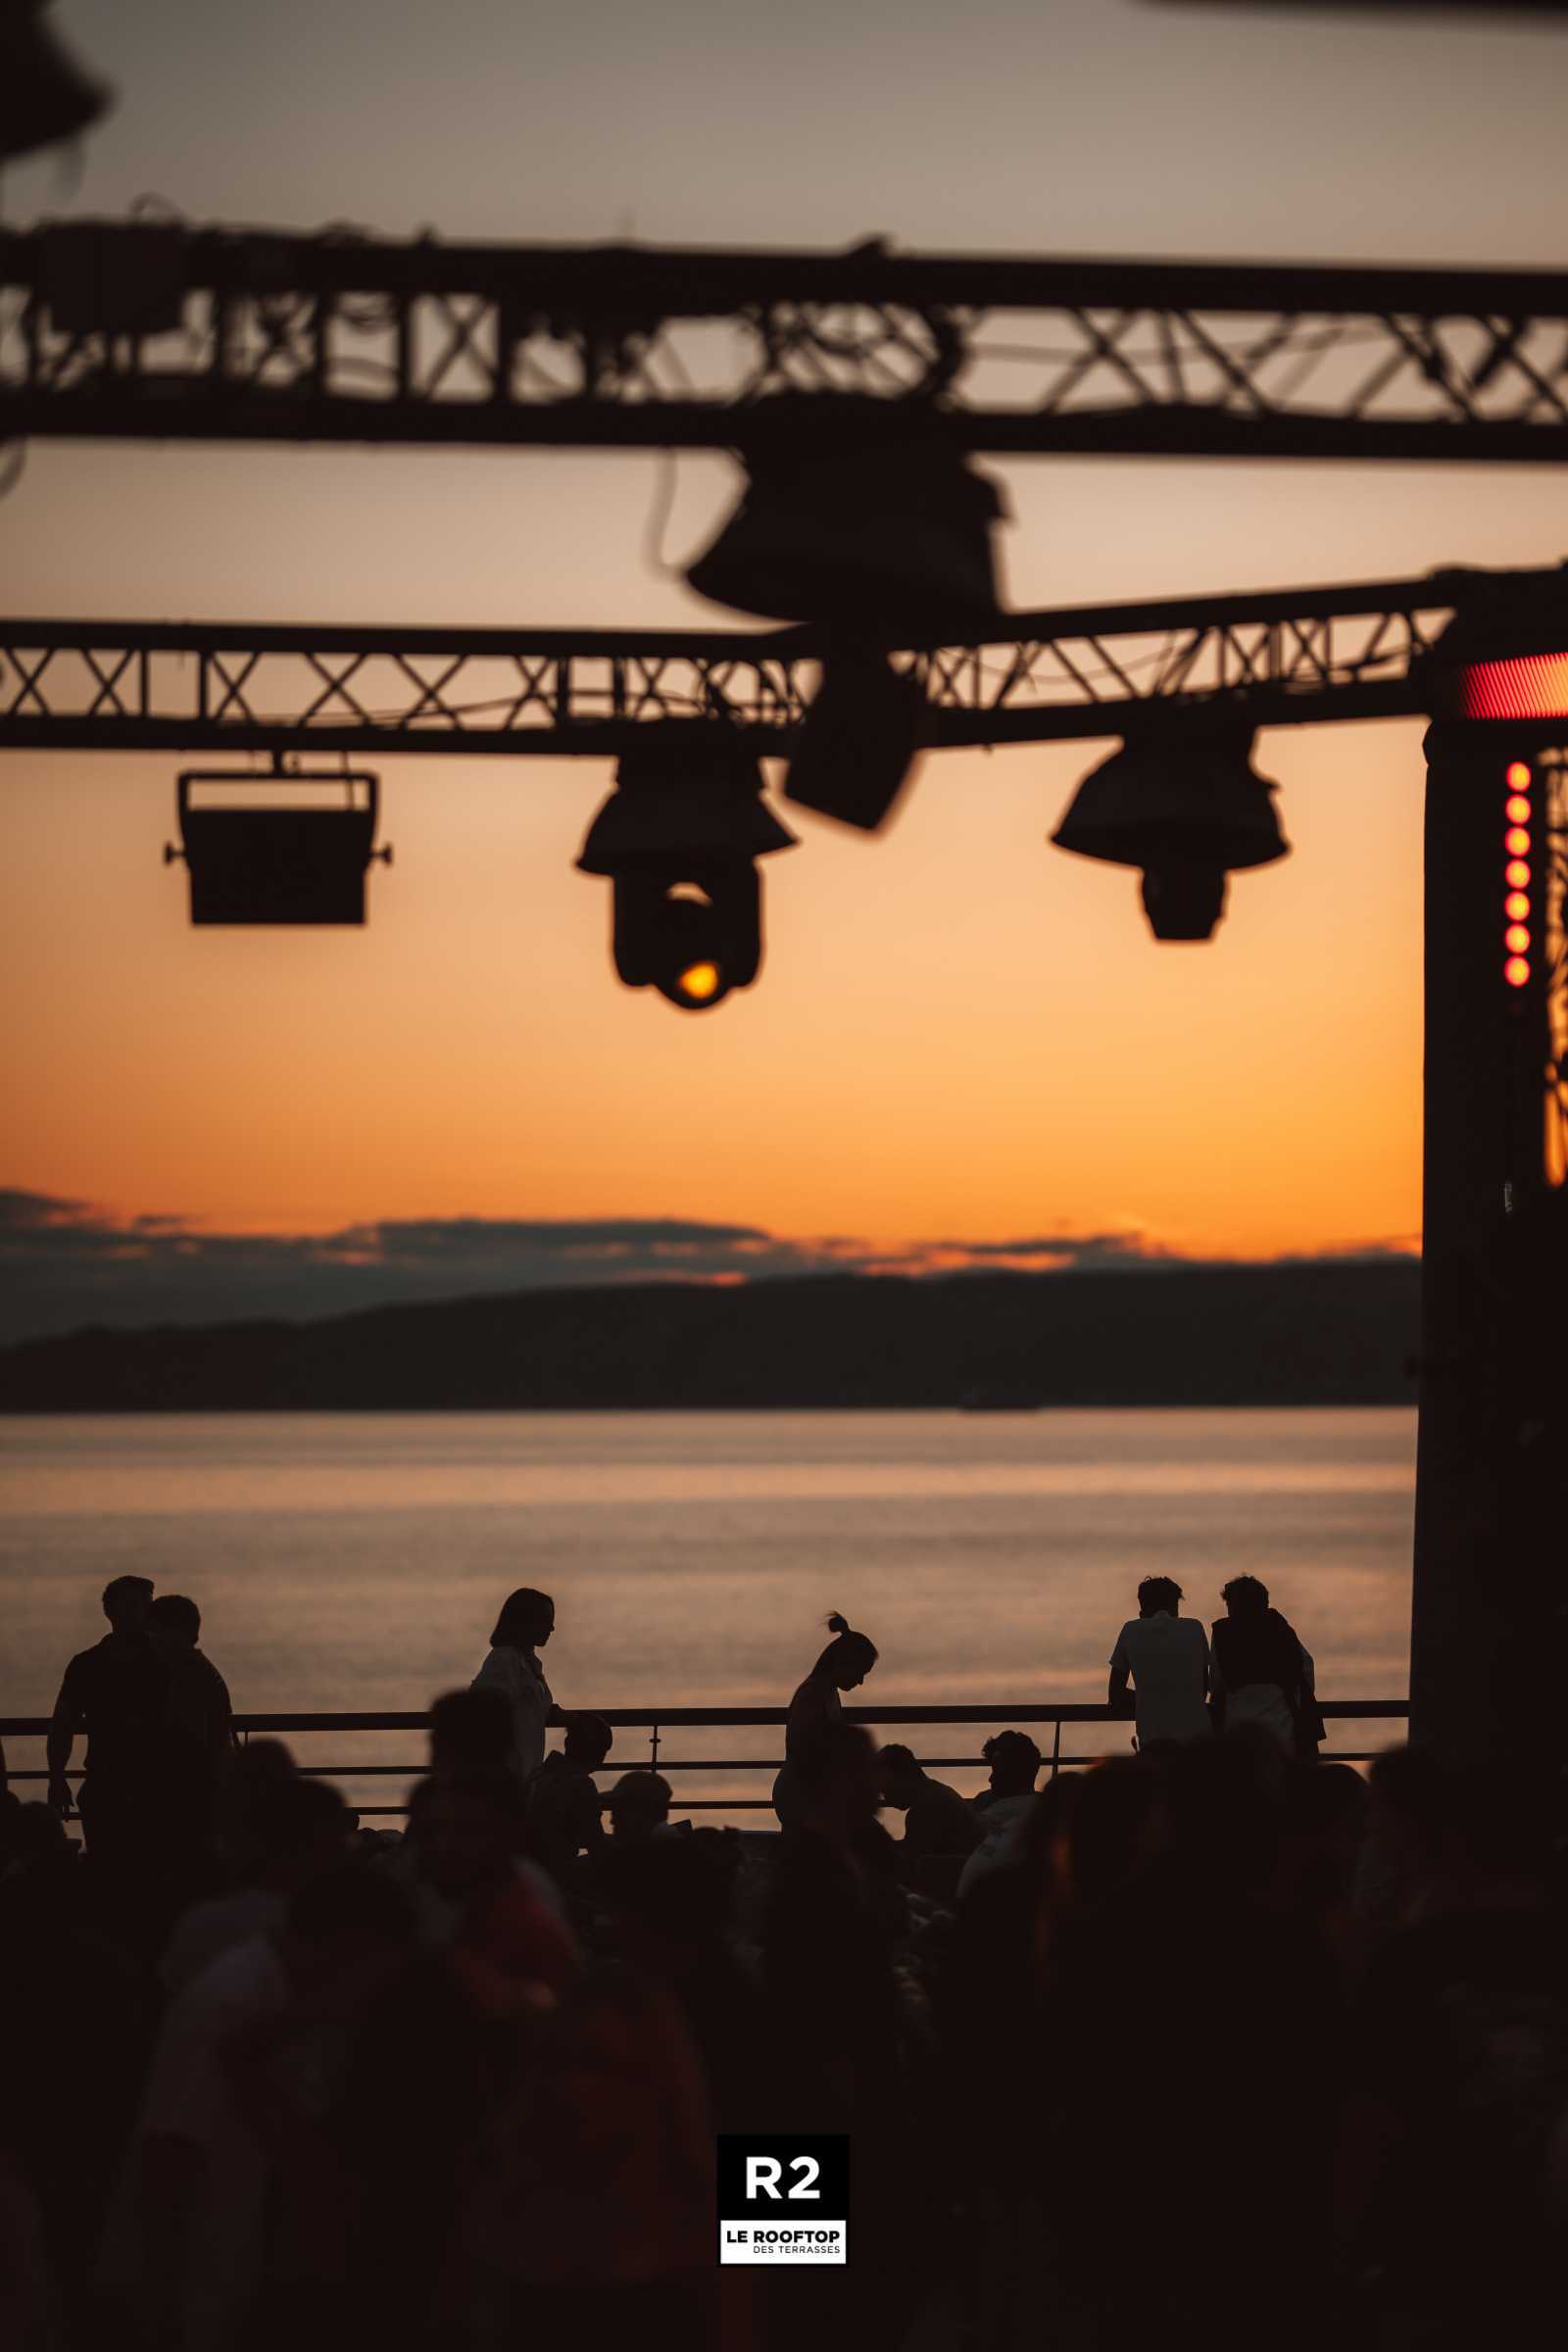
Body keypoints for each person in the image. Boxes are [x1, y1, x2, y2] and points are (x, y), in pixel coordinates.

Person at [46, 1575, 168, 1875]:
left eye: (144, 1606)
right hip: (108, 1787)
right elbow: (63, 1723)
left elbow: (63, 1722)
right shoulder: (88, 1665)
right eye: (131, 1605)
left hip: (159, 1787)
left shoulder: (165, 1661)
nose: (139, 1613)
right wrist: (57, 1776)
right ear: (110, 1611)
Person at [147, 1593, 236, 1893]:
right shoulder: (194, 1672)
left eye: (160, 1630)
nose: (154, 1638)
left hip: (193, 1796)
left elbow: (190, 1742)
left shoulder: (190, 1677)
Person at [771, 1611, 878, 1833]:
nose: (860, 1681)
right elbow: (804, 1749)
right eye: (860, 1672)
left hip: (807, 1792)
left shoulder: (825, 1692)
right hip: (801, 1795)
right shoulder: (813, 1695)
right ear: (844, 1663)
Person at [1209, 1575, 1319, 1756]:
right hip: (1282, 1726)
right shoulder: (1280, 1626)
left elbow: (1216, 1681)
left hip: (1237, 1727)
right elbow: (1305, 1668)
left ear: (1232, 1606)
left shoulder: (1223, 1632)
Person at [470, 1587, 566, 1786]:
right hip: (506, 1778)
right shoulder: (505, 1660)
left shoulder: (528, 1662)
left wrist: (556, 1713)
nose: (552, 1628)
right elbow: (485, 1710)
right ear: (525, 1622)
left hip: (523, 1775)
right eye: (545, 1620)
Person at [1107, 1575, 1211, 1749]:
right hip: (1198, 1740)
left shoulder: (1131, 1630)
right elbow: (1202, 1688)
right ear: (1175, 1606)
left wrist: (1148, 1698)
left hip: (1154, 1741)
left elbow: (1115, 1695)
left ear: (1142, 1607)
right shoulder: (1194, 1628)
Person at [527, 1712, 612, 1889]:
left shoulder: (536, 1775)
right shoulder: (581, 1785)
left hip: (528, 1874)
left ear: (567, 1743)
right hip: (554, 1880)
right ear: (601, 1757)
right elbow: (597, 1847)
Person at [876, 1743, 983, 1859]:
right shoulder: (937, 1793)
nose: (883, 1794)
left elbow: (912, 1861)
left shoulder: (924, 1810)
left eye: (885, 1784)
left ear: (900, 1776)